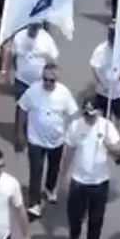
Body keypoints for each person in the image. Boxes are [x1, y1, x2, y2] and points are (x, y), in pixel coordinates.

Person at [60, 99, 120, 239]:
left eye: (92, 114)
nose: (89, 117)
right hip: (78, 180)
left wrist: (112, 148)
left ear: (99, 112)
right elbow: (69, 152)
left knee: (96, 219)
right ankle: (73, 237)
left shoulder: (107, 126)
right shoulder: (75, 126)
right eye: (86, 114)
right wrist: (64, 175)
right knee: (74, 215)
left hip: (100, 181)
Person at [16, 62, 80, 218]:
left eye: (51, 80)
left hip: (57, 140)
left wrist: (75, 135)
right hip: (35, 139)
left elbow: (73, 114)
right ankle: (34, 203)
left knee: (53, 167)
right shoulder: (33, 91)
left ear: (56, 80)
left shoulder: (64, 93)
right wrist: (19, 133)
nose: (48, 83)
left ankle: (50, 188)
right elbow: (23, 109)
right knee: (36, 171)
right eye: (45, 79)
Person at [90, 26, 120, 128]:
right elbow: (94, 67)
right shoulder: (100, 50)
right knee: (103, 116)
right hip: (104, 91)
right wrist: (101, 82)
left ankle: (116, 130)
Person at [10, 22, 58, 100]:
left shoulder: (46, 38)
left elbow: (53, 59)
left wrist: (52, 78)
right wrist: (14, 72)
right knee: (20, 108)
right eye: (32, 26)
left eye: (36, 26)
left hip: (39, 82)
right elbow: (13, 56)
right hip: (21, 81)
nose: (34, 28)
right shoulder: (19, 36)